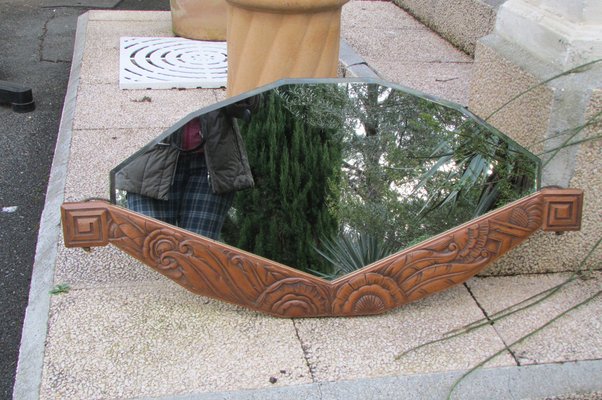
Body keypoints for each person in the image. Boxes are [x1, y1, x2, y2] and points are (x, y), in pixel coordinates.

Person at [115, 97, 259, 239]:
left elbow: (250, 103)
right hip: (148, 165)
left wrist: (237, 83)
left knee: (198, 256)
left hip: (212, 166)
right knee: (152, 250)